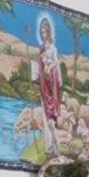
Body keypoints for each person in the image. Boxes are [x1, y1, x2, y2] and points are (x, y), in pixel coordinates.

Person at [36, 14, 64, 155]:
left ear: (49, 32)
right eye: (41, 32)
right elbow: (39, 66)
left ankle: (56, 146)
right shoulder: (41, 49)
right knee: (48, 117)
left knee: (51, 115)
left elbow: (56, 63)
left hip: (51, 81)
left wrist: (59, 78)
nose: (43, 34)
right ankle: (52, 146)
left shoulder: (53, 48)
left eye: (45, 32)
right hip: (44, 83)